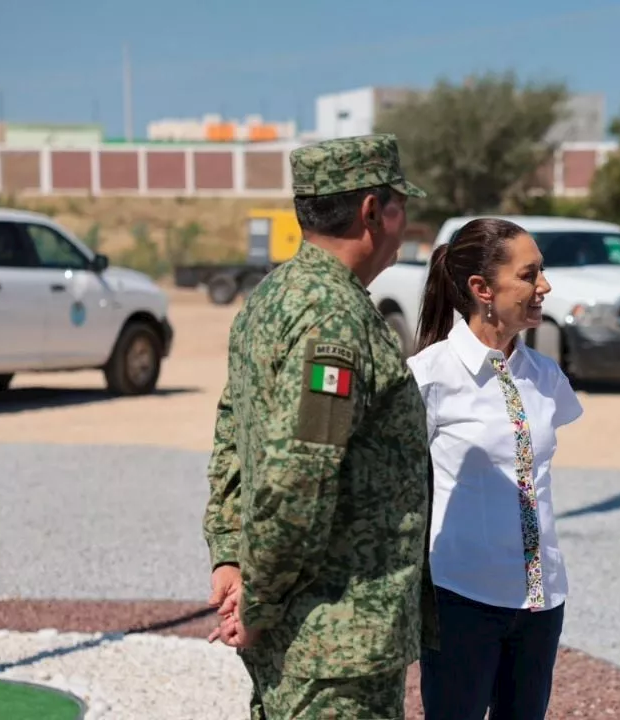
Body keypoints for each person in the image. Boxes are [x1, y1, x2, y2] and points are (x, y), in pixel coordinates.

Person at [201, 133, 438, 719]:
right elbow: (296, 481)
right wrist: (256, 602)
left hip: (309, 637)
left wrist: (230, 556)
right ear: (370, 212)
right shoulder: (335, 320)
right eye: (399, 204)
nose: (405, 221)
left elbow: (234, 433)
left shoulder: (274, 296)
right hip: (334, 646)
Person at [408, 217, 583, 720]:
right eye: (530, 275)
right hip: (462, 599)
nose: (544, 286)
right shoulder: (428, 378)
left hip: (542, 599)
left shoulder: (546, 376)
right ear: (481, 289)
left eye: (542, 272)